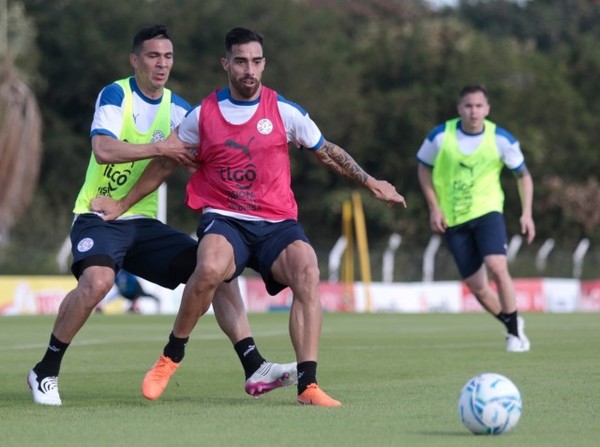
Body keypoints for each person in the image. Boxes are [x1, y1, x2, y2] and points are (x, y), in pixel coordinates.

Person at [92, 27, 406, 407]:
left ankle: (307, 385)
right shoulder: (203, 114)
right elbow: (164, 163)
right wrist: (122, 204)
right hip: (225, 218)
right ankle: (170, 356)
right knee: (208, 267)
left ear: (264, 64)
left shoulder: (285, 111)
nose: (249, 70)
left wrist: (371, 182)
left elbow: (327, 151)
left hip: (275, 221)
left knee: (307, 269)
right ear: (226, 64)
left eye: (256, 62)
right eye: (240, 61)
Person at [26, 24, 296, 407]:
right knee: (98, 281)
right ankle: (45, 371)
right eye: (153, 56)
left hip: (144, 225)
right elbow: (104, 149)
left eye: (168, 57)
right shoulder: (116, 94)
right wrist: (161, 147)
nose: (161, 64)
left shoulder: (181, 110)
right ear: (135, 59)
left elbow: (199, 156)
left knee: (214, 269)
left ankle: (253, 365)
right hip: (99, 215)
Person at [416, 84, 535, 352]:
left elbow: (524, 177)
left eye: (479, 106)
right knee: (477, 287)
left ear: (487, 109)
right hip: (453, 218)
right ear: (459, 108)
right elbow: (423, 170)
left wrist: (527, 213)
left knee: (496, 266)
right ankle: (512, 321)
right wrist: (434, 207)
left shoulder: (502, 139)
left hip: (488, 211)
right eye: (468, 106)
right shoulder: (439, 136)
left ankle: (515, 335)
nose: (473, 111)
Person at [97, 269, 162, 314]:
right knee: (109, 297)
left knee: (138, 296)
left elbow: (134, 282)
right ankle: (100, 306)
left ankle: (134, 308)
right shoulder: (117, 274)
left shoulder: (126, 273)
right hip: (124, 292)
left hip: (131, 291)